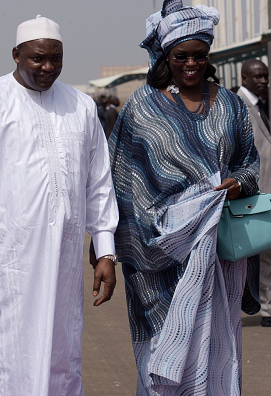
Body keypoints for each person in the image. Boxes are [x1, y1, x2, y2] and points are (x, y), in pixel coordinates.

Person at [0, 15, 118, 395]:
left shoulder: (81, 106)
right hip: (3, 264)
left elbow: (99, 183)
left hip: (63, 263)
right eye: (37, 59)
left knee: (59, 355)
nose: (48, 68)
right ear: (16, 55)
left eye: (56, 59)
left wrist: (105, 249)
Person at [109, 1, 260, 394]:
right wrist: (114, 245)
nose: (191, 64)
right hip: (157, 261)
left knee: (217, 352)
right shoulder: (142, 107)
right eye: (181, 56)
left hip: (218, 256)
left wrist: (238, 183)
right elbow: (119, 179)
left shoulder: (230, 105)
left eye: (199, 55)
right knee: (166, 353)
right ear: (166, 56)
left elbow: (249, 162)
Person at [237, 59, 271, 327]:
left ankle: (266, 305)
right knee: (259, 252)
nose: (263, 81)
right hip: (254, 192)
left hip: (266, 190)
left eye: (266, 76)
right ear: (244, 77)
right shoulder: (239, 106)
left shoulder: (263, 104)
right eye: (258, 77)